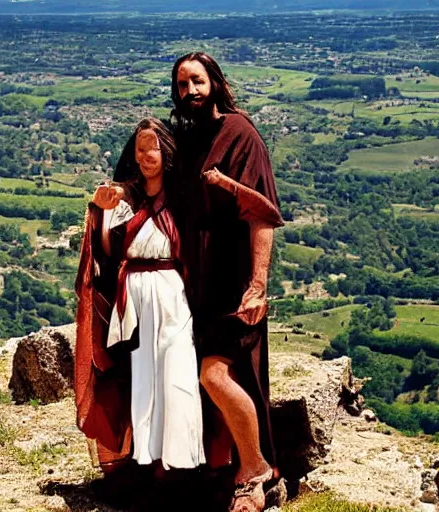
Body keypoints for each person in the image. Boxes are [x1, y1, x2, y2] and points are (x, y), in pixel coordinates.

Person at [170, 51, 284, 512]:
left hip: (232, 282)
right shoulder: (188, 137)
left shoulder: (241, 136)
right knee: (202, 377)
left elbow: (262, 216)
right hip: (193, 286)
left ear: (215, 83)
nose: (190, 92)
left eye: (197, 82)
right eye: (182, 85)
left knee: (214, 375)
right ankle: (221, 468)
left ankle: (255, 470)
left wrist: (257, 286)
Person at [74, 118, 206, 474]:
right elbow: (108, 250)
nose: (147, 156)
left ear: (167, 151)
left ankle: (182, 461)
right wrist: (101, 211)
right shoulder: (123, 195)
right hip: (131, 293)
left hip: (170, 291)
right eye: (140, 149)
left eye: (154, 148)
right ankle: (145, 459)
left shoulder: (182, 198)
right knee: (141, 376)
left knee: (176, 371)